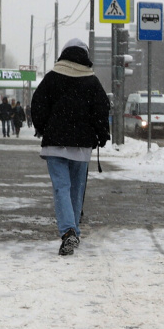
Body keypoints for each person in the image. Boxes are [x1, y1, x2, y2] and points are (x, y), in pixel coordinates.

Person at [31, 38, 111, 256]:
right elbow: (102, 110)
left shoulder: (52, 78)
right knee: (76, 191)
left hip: (55, 144)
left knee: (61, 188)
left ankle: (69, 233)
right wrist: (102, 135)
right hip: (82, 146)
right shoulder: (91, 81)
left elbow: (37, 104)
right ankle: (72, 231)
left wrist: (43, 127)